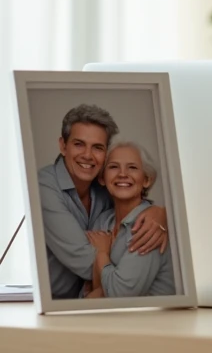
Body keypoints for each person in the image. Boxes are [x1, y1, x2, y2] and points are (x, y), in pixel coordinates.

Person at [36, 104, 168, 299]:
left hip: (108, 310)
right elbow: (85, 261)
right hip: (56, 303)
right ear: (63, 146)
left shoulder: (109, 192)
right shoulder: (44, 188)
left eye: (97, 147)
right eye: (79, 144)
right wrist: (112, 274)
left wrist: (163, 213)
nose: (88, 155)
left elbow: (117, 287)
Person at [84, 141, 175, 297]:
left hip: (151, 320)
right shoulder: (102, 220)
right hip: (112, 319)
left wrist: (102, 253)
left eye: (132, 167)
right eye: (113, 167)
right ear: (102, 178)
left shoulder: (149, 227)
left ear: (146, 180)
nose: (122, 174)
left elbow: (119, 295)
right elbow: (89, 286)